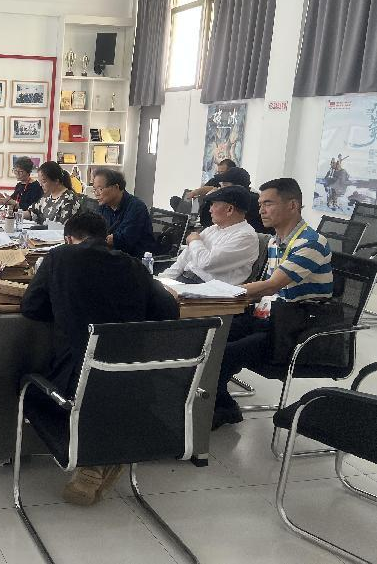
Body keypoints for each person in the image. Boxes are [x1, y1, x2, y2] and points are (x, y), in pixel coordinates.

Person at [22, 212, 179, 506]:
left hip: (73, 385)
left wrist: (62, 306)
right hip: (134, 383)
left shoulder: (58, 258)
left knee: (32, 389)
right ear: (105, 237)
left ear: (68, 238)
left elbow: (31, 307)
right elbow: (168, 312)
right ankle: (105, 457)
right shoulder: (134, 265)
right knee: (104, 389)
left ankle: (91, 460)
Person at [213, 178, 333, 430]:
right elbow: (263, 292)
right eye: (260, 204)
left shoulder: (310, 243)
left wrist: (223, 291)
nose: (261, 210)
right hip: (271, 318)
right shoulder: (275, 242)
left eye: (268, 203)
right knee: (211, 335)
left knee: (226, 352)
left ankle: (222, 408)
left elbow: (271, 286)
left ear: (293, 206)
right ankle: (216, 401)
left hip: (298, 329)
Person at [159, 186, 259, 285]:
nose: (210, 210)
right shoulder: (213, 229)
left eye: (214, 205)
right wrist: (163, 279)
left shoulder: (246, 237)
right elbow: (184, 258)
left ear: (230, 209)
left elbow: (206, 264)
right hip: (185, 279)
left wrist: (194, 241)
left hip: (208, 288)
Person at [93, 167, 155, 258]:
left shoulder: (136, 207)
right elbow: (95, 230)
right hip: (111, 254)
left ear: (116, 187)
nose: (96, 194)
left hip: (134, 258)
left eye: (100, 189)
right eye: (94, 189)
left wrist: (98, 238)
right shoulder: (103, 206)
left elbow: (124, 240)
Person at [198, 166, 269, 234]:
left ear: (237, 188)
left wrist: (211, 198)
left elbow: (206, 221)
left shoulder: (246, 201)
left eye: (225, 185)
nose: (221, 189)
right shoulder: (252, 197)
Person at [23, 162, 83, 226]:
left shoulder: (69, 199)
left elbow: (62, 227)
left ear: (56, 181)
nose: (40, 185)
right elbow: (32, 212)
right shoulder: (47, 196)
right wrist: (18, 214)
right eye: (39, 182)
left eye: (43, 181)